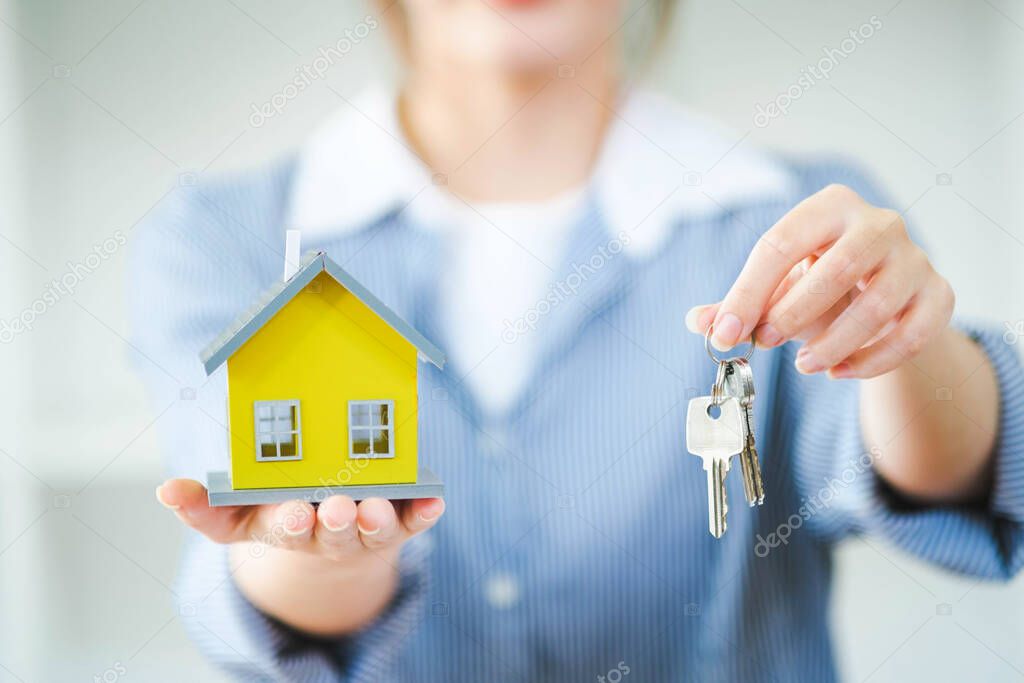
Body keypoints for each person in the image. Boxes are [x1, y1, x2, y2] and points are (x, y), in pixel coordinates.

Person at [131, 1, 1024, 680]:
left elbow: (934, 475)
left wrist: (913, 344)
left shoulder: (801, 220)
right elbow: (261, 554)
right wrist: (323, 554)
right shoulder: (221, 238)